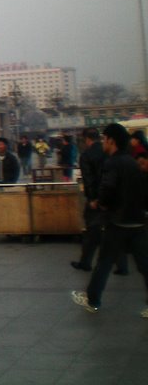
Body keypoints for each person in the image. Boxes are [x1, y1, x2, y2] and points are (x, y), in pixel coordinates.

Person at [71, 123, 148, 316]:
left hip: (118, 222)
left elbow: (108, 189)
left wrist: (100, 203)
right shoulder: (132, 161)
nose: (103, 143)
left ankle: (93, 300)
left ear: (111, 141)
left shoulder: (112, 163)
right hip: (138, 221)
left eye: (105, 139)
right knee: (144, 265)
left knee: (104, 262)